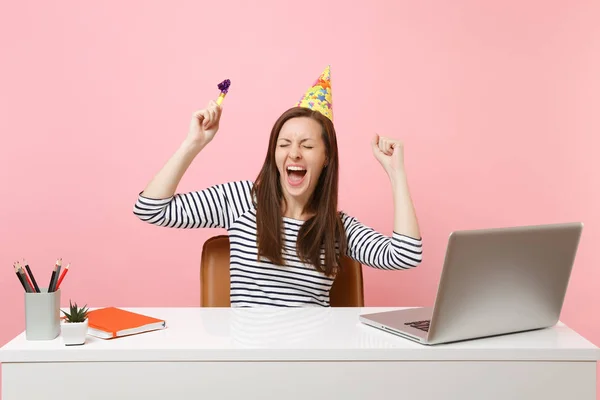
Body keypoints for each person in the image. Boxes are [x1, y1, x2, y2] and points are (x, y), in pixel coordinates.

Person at [133, 66, 423, 307]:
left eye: (307, 145)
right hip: (250, 360)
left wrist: (396, 174)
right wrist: (192, 145)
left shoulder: (336, 228)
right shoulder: (242, 201)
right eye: (284, 144)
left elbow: (405, 255)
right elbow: (150, 209)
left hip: (311, 362)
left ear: (326, 159)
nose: (294, 153)